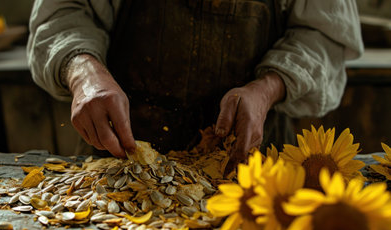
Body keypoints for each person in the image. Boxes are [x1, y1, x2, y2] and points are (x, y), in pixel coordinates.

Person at [27, 0, 363, 175]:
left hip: (252, 173)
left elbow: (322, 37)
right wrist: (85, 73)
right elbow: (62, 14)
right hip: (118, 164)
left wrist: (267, 89)